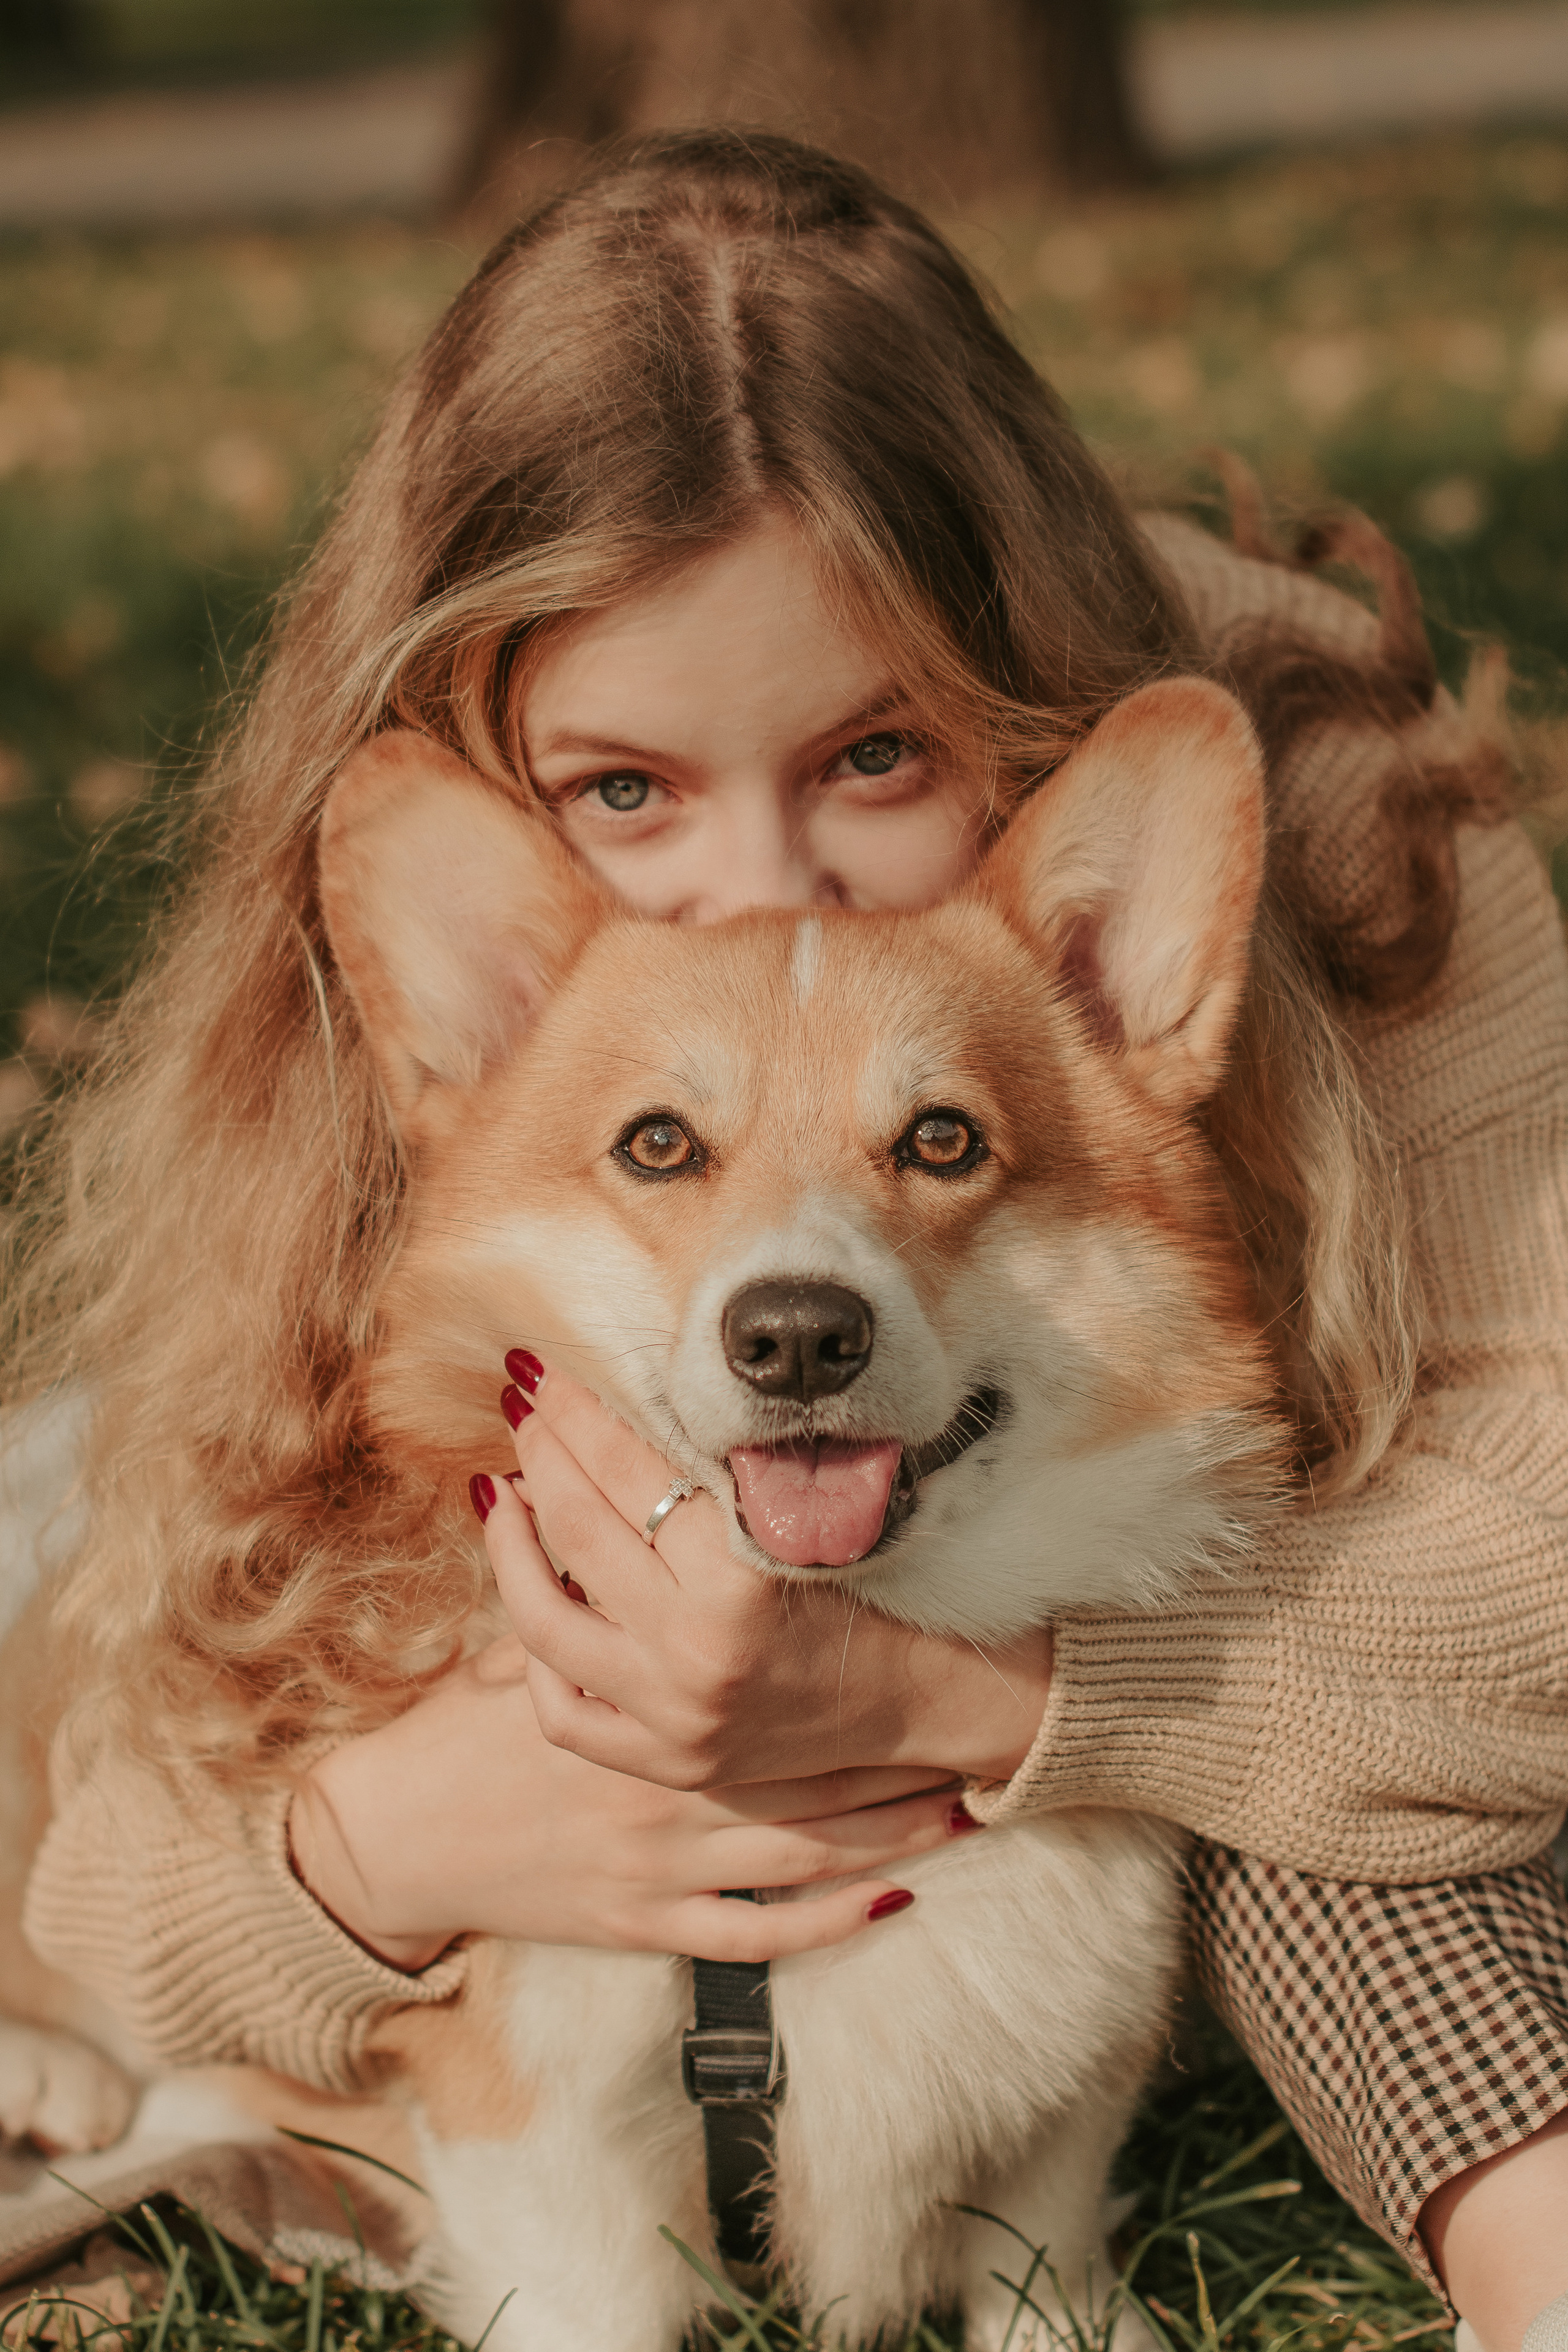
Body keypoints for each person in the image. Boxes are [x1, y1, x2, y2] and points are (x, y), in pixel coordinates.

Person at [9, 129, 1568, 2351]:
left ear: (1007, 671)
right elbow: (126, 1870)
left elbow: (1528, 1593)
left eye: (875, 753)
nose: (757, 895)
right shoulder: (454, 1038)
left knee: (1368, 1790)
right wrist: (393, 1844)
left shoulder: (1326, 791)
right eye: (624, 789)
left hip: (1194, 1597)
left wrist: (965, 1696)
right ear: (481, 744)